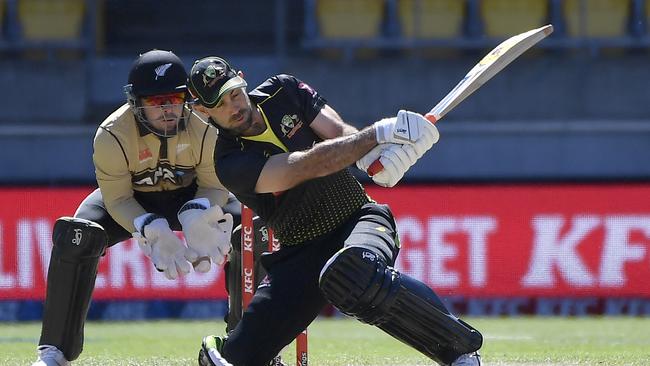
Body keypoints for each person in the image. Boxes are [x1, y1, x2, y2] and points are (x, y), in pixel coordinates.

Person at [188, 56, 484, 366]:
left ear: (242, 79)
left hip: (359, 218)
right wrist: (378, 134)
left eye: (235, 93)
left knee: (352, 271)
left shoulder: (283, 91)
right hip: (301, 252)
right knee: (238, 358)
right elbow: (302, 167)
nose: (234, 107)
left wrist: (375, 156)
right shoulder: (229, 161)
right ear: (202, 110)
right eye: (220, 104)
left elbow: (340, 131)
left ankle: (459, 350)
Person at [32, 50, 238, 366]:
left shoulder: (206, 124)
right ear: (136, 103)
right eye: (157, 102)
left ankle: (245, 344)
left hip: (194, 196)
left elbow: (216, 184)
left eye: (174, 98)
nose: (168, 110)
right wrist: (148, 226)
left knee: (249, 227)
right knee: (77, 234)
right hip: (132, 200)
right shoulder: (112, 134)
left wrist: (199, 213)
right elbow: (115, 198)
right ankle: (54, 351)